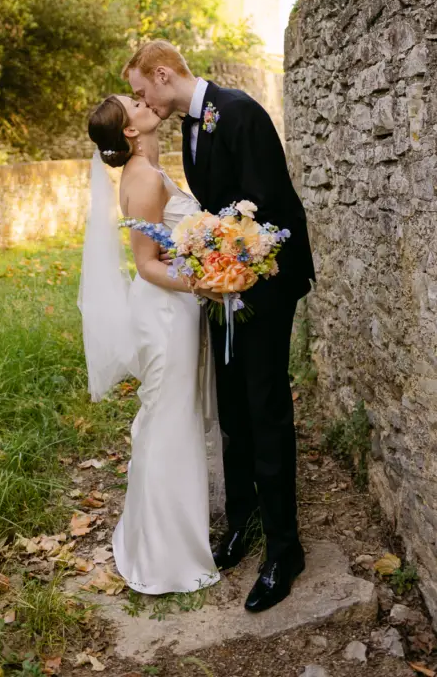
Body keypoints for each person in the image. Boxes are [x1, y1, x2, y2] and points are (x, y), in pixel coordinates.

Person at [124, 40, 315, 613]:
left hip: (265, 284)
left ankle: (285, 549)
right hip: (222, 287)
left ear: (162, 75)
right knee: (230, 407)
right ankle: (243, 520)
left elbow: (267, 205)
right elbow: (212, 210)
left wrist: (229, 266)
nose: (141, 101)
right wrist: (209, 269)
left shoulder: (240, 112)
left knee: (264, 407)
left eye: (140, 91)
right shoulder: (191, 125)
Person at [82, 93, 221, 595]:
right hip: (164, 313)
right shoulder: (140, 179)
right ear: (129, 131)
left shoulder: (148, 169)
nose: (144, 102)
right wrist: (211, 283)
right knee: (170, 421)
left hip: (172, 308)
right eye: (133, 103)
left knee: (172, 416)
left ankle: (164, 537)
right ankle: (166, 558)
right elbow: (147, 265)